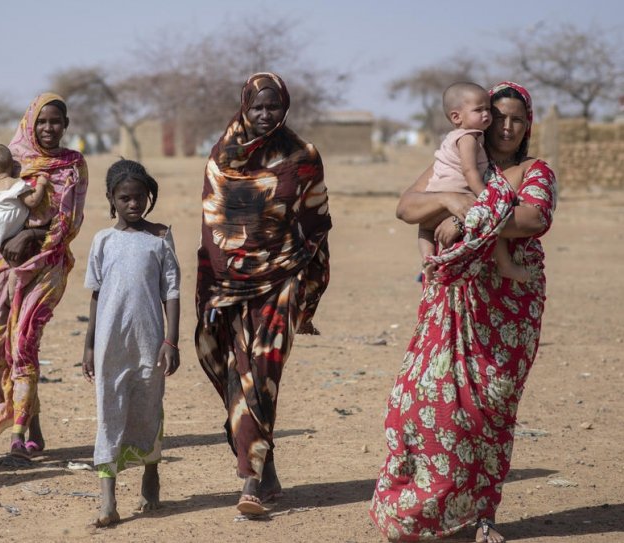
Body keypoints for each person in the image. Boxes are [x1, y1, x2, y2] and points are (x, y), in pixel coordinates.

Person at [369, 82, 558, 543]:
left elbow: (535, 219)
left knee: (486, 414)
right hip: (451, 306)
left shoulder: (536, 171)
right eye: (500, 116)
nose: (507, 126)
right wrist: (453, 202)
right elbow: (406, 207)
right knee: (417, 403)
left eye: (518, 118)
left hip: (506, 316)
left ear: (528, 124)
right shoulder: (459, 159)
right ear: (481, 117)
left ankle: (481, 516)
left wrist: (473, 218)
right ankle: (418, 511)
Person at [194, 72, 332, 515]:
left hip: (284, 280)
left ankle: (250, 482)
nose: (265, 114)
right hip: (230, 285)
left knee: (262, 373)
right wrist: (215, 287)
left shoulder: (303, 156)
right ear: (244, 107)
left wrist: (312, 284)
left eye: (273, 107)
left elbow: (316, 223)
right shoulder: (221, 156)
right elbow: (212, 226)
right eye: (258, 107)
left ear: (285, 107)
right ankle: (264, 467)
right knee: (239, 374)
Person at [0, 93, 88, 459]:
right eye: (42, 121)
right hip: (5, 265)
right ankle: (35, 427)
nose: (49, 128)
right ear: (30, 122)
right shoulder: (12, 160)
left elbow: (71, 219)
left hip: (48, 263)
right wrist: (8, 240)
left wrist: (32, 235)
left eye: (56, 121)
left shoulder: (73, 164)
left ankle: (17, 436)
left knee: (24, 341)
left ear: (66, 125)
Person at [81, 159, 181, 527]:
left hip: (149, 340)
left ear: (149, 197)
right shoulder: (102, 241)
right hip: (109, 341)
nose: (133, 204)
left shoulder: (159, 237)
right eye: (125, 198)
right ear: (111, 198)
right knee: (109, 409)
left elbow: (171, 291)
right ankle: (107, 498)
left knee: (148, 404)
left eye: (140, 197)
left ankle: (150, 469)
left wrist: (171, 340)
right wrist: (89, 345)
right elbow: (95, 295)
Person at [419, 82, 528, 283]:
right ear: (456, 117)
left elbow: (535, 219)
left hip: (434, 195)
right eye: (479, 110)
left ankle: (428, 260)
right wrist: (485, 197)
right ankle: (506, 266)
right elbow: (469, 171)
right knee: (491, 220)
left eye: (488, 110)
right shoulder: (469, 138)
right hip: (456, 192)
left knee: (425, 228)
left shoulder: (455, 137)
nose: (486, 114)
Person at [0, 143, 48, 249]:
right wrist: (41, 184)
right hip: (11, 228)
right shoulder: (17, 184)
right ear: (13, 166)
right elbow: (32, 201)